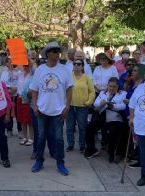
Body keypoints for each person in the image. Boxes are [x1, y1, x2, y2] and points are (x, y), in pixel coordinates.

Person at [29, 41, 73, 175]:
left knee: (59, 138)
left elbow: (70, 89)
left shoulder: (64, 69)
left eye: (58, 51)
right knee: (41, 137)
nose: (57, 54)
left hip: (58, 111)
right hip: (42, 110)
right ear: (48, 53)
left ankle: (60, 163)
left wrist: (67, 107)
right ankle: (39, 161)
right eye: (54, 51)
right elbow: (34, 90)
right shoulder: (40, 69)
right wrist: (35, 106)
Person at [85, 77, 127, 162]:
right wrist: (101, 103)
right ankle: (91, 149)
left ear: (118, 86)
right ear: (107, 85)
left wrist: (114, 106)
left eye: (114, 86)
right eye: (110, 86)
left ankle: (111, 153)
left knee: (113, 132)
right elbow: (96, 104)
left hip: (115, 118)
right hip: (102, 118)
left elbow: (124, 106)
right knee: (89, 129)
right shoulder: (103, 93)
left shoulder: (123, 94)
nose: (111, 88)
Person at [66, 59, 95, 153]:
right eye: (74, 64)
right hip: (69, 106)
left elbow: (92, 91)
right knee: (69, 127)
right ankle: (70, 145)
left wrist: (88, 102)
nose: (76, 65)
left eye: (78, 64)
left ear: (82, 66)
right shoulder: (68, 77)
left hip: (82, 107)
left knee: (82, 127)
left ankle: (82, 145)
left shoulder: (87, 78)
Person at [16, 63, 34, 146]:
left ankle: (31, 138)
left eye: (27, 66)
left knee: (29, 120)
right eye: (24, 66)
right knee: (22, 120)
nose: (26, 67)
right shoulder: (20, 74)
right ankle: (24, 137)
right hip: (19, 98)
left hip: (28, 99)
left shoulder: (32, 75)